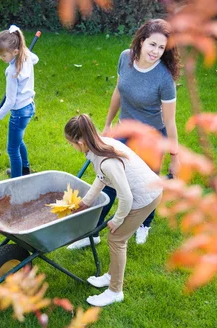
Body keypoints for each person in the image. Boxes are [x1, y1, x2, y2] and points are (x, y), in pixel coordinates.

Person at [67, 18, 180, 250]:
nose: (156, 52)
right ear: (141, 41)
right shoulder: (124, 58)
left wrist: (175, 157)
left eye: (162, 48)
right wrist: (108, 124)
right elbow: (118, 92)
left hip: (150, 138)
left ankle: (144, 224)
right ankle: (94, 230)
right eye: (152, 44)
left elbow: (169, 120)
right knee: (107, 176)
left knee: (147, 184)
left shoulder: (164, 79)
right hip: (123, 129)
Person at [65, 114, 163, 306]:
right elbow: (102, 178)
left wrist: (117, 220)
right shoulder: (103, 144)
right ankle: (111, 276)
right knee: (116, 238)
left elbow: (126, 197)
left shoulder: (107, 161)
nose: (72, 147)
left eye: (71, 143)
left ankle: (115, 291)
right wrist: (85, 202)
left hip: (145, 197)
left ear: (81, 141)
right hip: (146, 190)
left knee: (117, 239)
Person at [0, 25, 38, 178]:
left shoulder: (12, 72)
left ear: (15, 52)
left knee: (12, 150)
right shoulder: (26, 57)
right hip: (29, 107)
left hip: (19, 112)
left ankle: (16, 181)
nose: (1, 58)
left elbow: (9, 101)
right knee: (18, 139)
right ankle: (24, 169)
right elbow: (36, 58)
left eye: (3, 55)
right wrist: (24, 50)